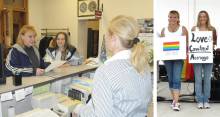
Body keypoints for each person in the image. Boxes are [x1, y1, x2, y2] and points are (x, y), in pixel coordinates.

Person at [73, 15, 152, 117]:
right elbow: (147, 99)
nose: (105, 38)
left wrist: (80, 110)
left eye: (106, 35)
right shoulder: (142, 64)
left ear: (114, 39)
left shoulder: (105, 72)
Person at [160, 10, 188, 111]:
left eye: (175, 17)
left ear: (178, 18)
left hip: (178, 59)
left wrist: (184, 53)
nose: (172, 19)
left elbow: (186, 44)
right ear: (168, 18)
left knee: (176, 79)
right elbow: (161, 45)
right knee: (171, 80)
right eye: (170, 17)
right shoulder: (164, 30)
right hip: (167, 59)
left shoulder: (183, 29)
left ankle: (176, 103)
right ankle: (174, 100)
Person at [191, 10, 217, 109]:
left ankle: (206, 100)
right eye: (201, 16)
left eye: (204, 16)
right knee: (198, 79)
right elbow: (192, 43)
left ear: (207, 18)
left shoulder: (212, 29)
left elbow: (214, 43)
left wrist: (210, 44)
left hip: (208, 57)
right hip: (197, 57)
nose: (202, 18)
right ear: (198, 18)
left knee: (207, 79)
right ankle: (199, 100)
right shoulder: (194, 29)